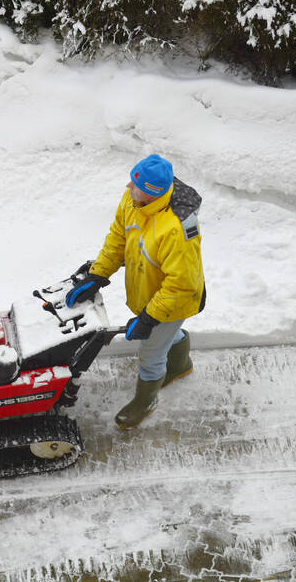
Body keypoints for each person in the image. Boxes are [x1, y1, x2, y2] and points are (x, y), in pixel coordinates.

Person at [65, 154, 206, 430]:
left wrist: (149, 319)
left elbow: (181, 285)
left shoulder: (176, 230)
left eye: (135, 185)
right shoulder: (133, 202)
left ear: (152, 194)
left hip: (173, 301)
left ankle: (147, 400)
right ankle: (180, 365)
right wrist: (98, 274)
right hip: (151, 292)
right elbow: (119, 236)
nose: (128, 187)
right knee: (165, 336)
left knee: (151, 352)